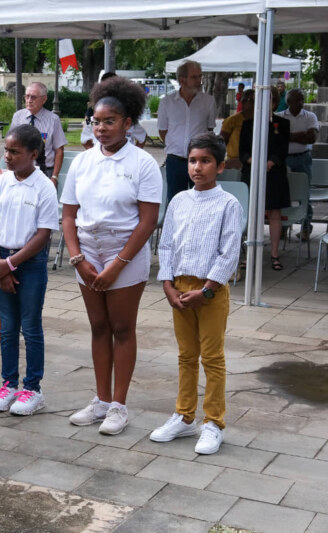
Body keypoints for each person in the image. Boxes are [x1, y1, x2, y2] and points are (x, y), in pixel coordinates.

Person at [62, 77, 162, 435]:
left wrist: (117, 264)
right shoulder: (82, 162)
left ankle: (119, 406)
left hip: (126, 251)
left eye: (109, 121)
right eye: (96, 121)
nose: (101, 128)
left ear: (128, 123)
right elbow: (69, 215)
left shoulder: (143, 163)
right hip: (87, 250)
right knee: (98, 326)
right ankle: (101, 400)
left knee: (122, 327)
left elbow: (148, 220)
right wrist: (78, 259)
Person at [151, 132, 242, 455]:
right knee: (186, 356)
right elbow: (167, 244)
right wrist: (167, 284)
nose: (197, 167)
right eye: (192, 161)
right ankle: (184, 415)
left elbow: (229, 252)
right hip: (179, 289)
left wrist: (206, 290)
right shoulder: (179, 201)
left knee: (212, 358)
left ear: (220, 167)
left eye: (205, 161)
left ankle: (213, 422)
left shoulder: (228, 204)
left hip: (210, 291)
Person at [0, 125, 59, 416]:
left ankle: (32, 388)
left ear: (34, 154)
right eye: (6, 150)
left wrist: (11, 264)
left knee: (31, 326)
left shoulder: (43, 187)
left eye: (15, 152)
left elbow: (43, 235)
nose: (7, 156)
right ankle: (8, 383)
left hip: (29, 262)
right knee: (7, 326)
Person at [239, 86, 290, 271]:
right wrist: (251, 160)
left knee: (275, 213)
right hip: (252, 172)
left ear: (274, 103)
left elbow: (283, 150)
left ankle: (275, 255)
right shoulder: (247, 124)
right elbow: (242, 150)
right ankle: (251, 254)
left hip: (274, 173)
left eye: (267, 101)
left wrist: (271, 162)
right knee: (253, 214)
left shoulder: (283, 124)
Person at [158, 60, 216, 202]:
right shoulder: (167, 102)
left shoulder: (208, 101)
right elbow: (162, 132)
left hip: (201, 161)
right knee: (175, 202)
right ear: (182, 79)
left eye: (200, 76)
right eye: (194, 77)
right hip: (175, 161)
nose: (199, 81)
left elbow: (209, 129)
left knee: (202, 201)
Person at [277, 88, 319, 241]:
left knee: (304, 192)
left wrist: (288, 136)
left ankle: (306, 228)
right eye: (297, 100)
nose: (301, 103)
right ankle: (283, 227)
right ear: (289, 101)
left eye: (302, 99)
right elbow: (278, 139)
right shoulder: (280, 116)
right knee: (284, 192)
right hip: (284, 158)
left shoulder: (310, 116)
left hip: (303, 158)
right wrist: (301, 134)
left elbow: (312, 138)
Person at [9, 81, 68, 188]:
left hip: (44, 171)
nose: (29, 100)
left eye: (33, 97)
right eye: (27, 96)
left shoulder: (53, 120)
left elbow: (59, 150)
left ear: (44, 99)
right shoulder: (18, 117)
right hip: (20, 170)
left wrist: (54, 177)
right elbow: (10, 146)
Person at [219, 89, 254, 170]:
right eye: (251, 100)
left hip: (255, 162)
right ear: (243, 102)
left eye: (256, 100)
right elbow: (221, 143)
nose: (254, 103)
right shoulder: (232, 120)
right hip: (234, 163)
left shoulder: (261, 121)